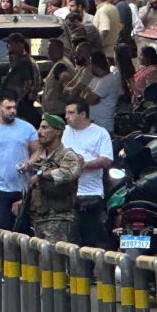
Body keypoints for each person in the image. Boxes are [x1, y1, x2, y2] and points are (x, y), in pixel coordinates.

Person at [13, 114, 83, 242]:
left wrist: (41, 174)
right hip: (38, 219)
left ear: (57, 132)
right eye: (39, 128)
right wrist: (23, 203)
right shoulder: (41, 158)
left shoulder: (68, 155)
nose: (39, 132)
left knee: (56, 260)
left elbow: (68, 173)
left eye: (45, 128)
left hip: (58, 219)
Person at [0, 96, 39, 230]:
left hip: (22, 187)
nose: (12, 111)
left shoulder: (27, 128)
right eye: (8, 108)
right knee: (0, 228)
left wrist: (29, 163)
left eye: (14, 108)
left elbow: (37, 151)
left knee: (22, 229)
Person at [62, 101, 113, 248]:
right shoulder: (63, 131)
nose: (66, 116)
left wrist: (81, 165)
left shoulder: (100, 133)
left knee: (90, 238)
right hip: (67, 193)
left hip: (90, 193)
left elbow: (106, 160)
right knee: (70, 238)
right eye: (66, 113)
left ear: (83, 114)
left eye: (71, 113)